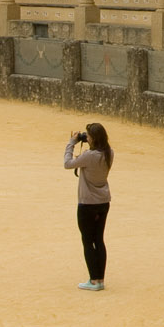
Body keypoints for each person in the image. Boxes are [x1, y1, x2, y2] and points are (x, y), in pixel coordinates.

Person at [65, 122, 114, 290]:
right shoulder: (109, 153)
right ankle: (100, 279)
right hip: (103, 202)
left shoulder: (89, 156)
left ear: (93, 139)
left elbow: (67, 163)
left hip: (87, 204)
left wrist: (72, 142)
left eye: (88, 136)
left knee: (87, 241)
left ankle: (93, 280)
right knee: (99, 239)